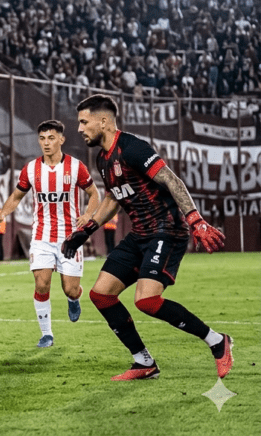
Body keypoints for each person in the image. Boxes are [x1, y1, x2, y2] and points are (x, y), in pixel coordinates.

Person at [64, 94, 232, 380]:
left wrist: (195, 220)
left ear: (103, 121)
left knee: (147, 301)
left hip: (167, 230)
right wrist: (86, 230)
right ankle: (144, 363)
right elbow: (113, 198)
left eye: (84, 122)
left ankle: (217, 341)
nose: (79, 129)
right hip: (140, 234)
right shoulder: (103, 157)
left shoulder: (132, 148)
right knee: (101, 295)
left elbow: (171, 180)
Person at [0, 120, 100, 348]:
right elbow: (16, 196)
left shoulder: (75, 167)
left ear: (61, 139)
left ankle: (74, 298)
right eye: (42, 139)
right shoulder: (31, 169)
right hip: (41, 237)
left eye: (51, 138)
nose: (46, 143)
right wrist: (2, 214)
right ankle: (46, 334)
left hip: (70, 237)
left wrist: (88, 215)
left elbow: (94, 194)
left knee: (69, 289)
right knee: (41, 284)